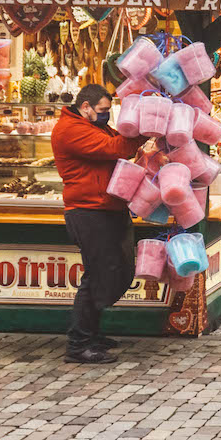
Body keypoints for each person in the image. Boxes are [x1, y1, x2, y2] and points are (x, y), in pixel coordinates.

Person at [52, 84, 140, 365]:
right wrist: (149, 128)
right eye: (103, 110)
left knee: (117, 271)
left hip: (108, 207)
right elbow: (117, 148)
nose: (107, 115)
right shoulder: (70, 129)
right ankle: (78, 345)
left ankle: (91, 333)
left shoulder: (94, 126)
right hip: (88, 211)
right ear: (86, 106)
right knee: (97, 275)